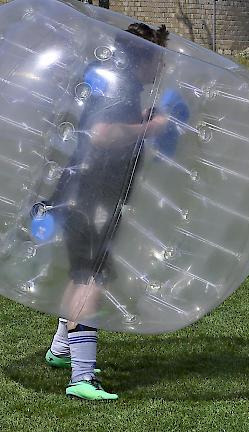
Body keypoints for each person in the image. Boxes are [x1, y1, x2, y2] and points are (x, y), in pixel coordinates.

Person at [43, 22, 171, 400]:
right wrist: (149, 128)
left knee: (84, 271)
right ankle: (82, 379)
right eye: (158, 59)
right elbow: (102, 134)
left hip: (85, 193)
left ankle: (61, 350)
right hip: (91, 197)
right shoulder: (125, 88)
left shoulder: (121, 87)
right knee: (91, 277)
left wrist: (140, 119)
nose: (162, 68)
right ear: (143, 59)